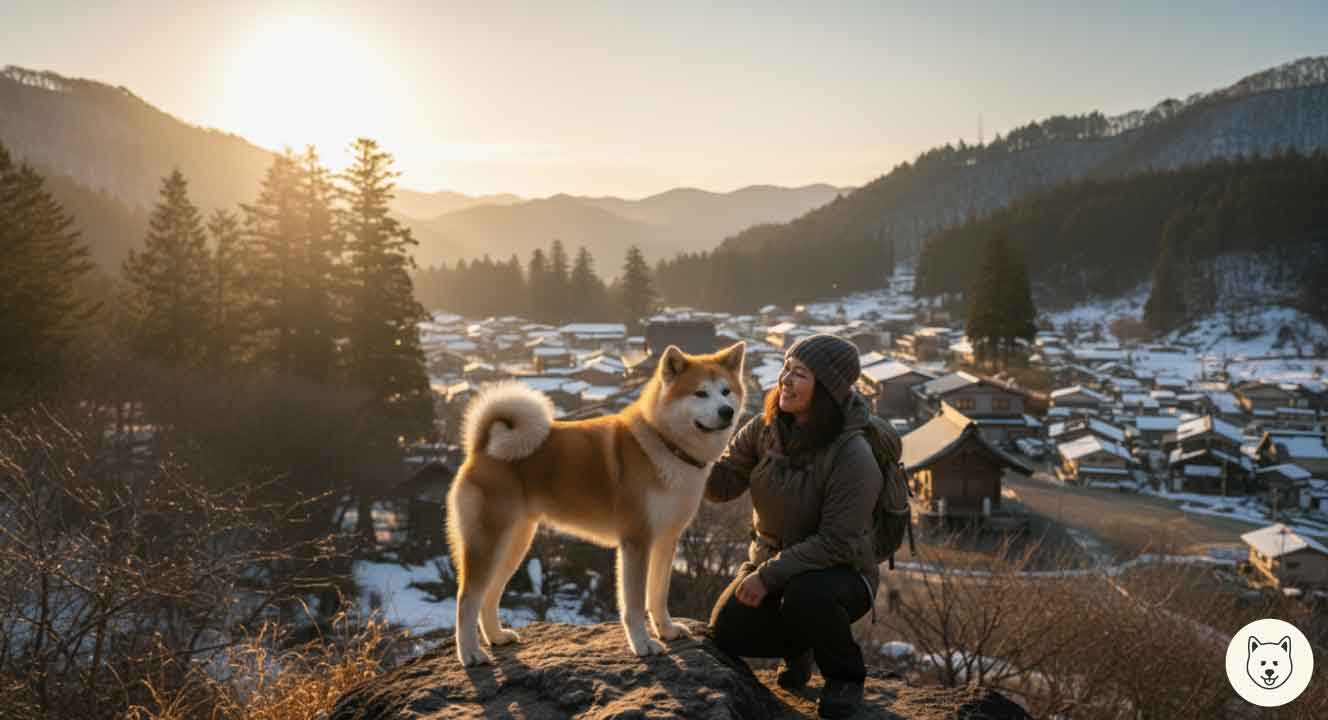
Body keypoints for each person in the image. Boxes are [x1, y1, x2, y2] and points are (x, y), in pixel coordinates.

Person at [705, 333, 883, 719]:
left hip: (841, 575)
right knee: (726, 631)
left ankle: (846, 676)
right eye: (786, 368)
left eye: (799, 373)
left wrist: (766, 578)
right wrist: (682, 454)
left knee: (806, 596)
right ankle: (799, 647)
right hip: (773, 563)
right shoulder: (764, 430)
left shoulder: (853, 454)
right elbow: (721, 484)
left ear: (828, 388)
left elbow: (836, 543)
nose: (784, 379)